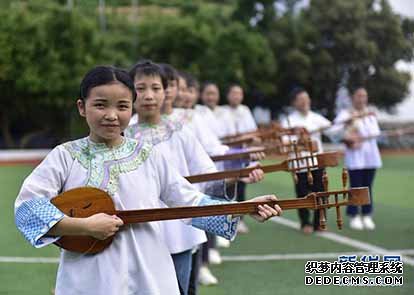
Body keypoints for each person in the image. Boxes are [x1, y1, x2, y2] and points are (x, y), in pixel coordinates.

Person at [124, 60, 265, 294]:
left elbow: (207, 174)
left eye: (156, 88)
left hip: (179, 229)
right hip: (136, 233)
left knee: (180, 289)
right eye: (141, 88)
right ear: (129, 92)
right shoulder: (122, 135)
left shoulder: (180, 132)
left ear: (167, 92)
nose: (149, 95)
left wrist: (237, 177)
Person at [280, 88, 332, 234]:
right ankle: (305, 223)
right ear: (294, 103)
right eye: (301, 99)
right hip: (299, 164)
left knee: (321, 192)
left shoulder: (316, 118)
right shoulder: (289, 121)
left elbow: (333, 128)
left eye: (306, 98)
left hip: (317, 162)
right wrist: (299, 136)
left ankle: (320, 223)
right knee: (302, 194)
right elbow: (285, 142)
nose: (304, 102)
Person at [331, 87, 381, 230]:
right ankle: (354, 215)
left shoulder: (370, 114)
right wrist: (347, 124)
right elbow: (333, 130)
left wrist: (361, 131)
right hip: (355, 157)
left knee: (368, 186)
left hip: (370, 156)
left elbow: (375, 132)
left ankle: (366, 214)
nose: (361, 99)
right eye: (359, 96)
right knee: (356, 187)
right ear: (353, 98)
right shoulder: (346, 114)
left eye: (364, 96)